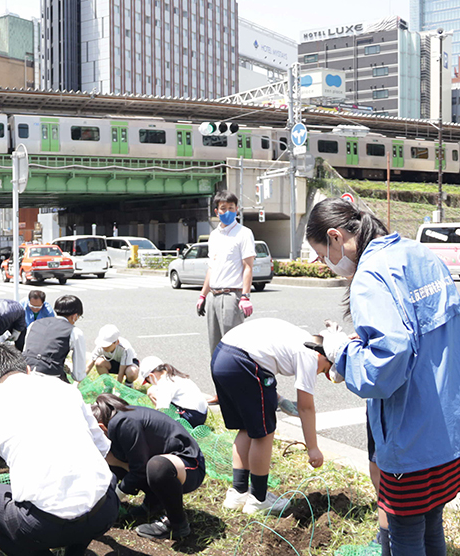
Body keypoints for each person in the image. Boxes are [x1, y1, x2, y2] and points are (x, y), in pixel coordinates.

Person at [306, 198, 460, 556]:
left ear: (336, 237)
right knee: (431, 519)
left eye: (322, 253)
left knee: (406, 529)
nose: (324, 263)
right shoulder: (416, 253)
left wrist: (339, 350)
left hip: (412, 426)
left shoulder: (370, 276)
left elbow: (384, 368)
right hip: (450, 419)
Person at [0, 344, 118, 556]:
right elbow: (102, 447)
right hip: (105, 511)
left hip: (43, 526)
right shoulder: (64, 388)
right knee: (98, 476)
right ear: (28, 370)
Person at [212, 317, 331, 515]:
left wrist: (278, 399)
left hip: (222, 356)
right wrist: (313, 449)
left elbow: (262, 355)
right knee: (264, 432)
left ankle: (238, 492)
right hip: (245, 363)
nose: (320, 373)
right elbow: (306, 407)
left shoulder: (301, 338)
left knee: (246, 427)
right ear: (326, 357)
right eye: (325, 370)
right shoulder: (311, 355)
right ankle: (259, 498)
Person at [91, 393, 205, 540]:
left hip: (190, 467)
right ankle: (153, 504)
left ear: (100, 427)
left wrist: (113, 499)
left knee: (157, 467)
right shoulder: (116, 419)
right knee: (114, 458)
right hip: (167, 462)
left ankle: (177, 523)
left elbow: (139, 469)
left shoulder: (123, 422)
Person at [196, 191, 257, 355]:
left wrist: (245, 296)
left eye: (231, 208)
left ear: (237, 209)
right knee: (215, 348)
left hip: (232, 296)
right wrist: (203, 296)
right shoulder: (214, 235)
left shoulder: (244, 233)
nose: (228, 211)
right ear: (217, 211)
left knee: (233, 347)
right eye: (223, 208)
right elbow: (212, 267)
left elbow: (248, 267)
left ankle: (237, 379)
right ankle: (218, 380)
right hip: (213, 296)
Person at [22, 294, 86, 383]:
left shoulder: (34, 324)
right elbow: (79, 374)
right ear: (75, 316)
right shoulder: (74, 332)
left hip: (24, 373)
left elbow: (26, 351)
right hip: (50, 376)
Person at [137, 356, 209, 427]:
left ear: (151, 376)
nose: (150, 383)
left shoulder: (165, 383)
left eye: (148, 381)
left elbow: (162, 410)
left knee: (152, 393)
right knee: (152, 390)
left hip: (192, 417)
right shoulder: (172, 375)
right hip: (201, 414)